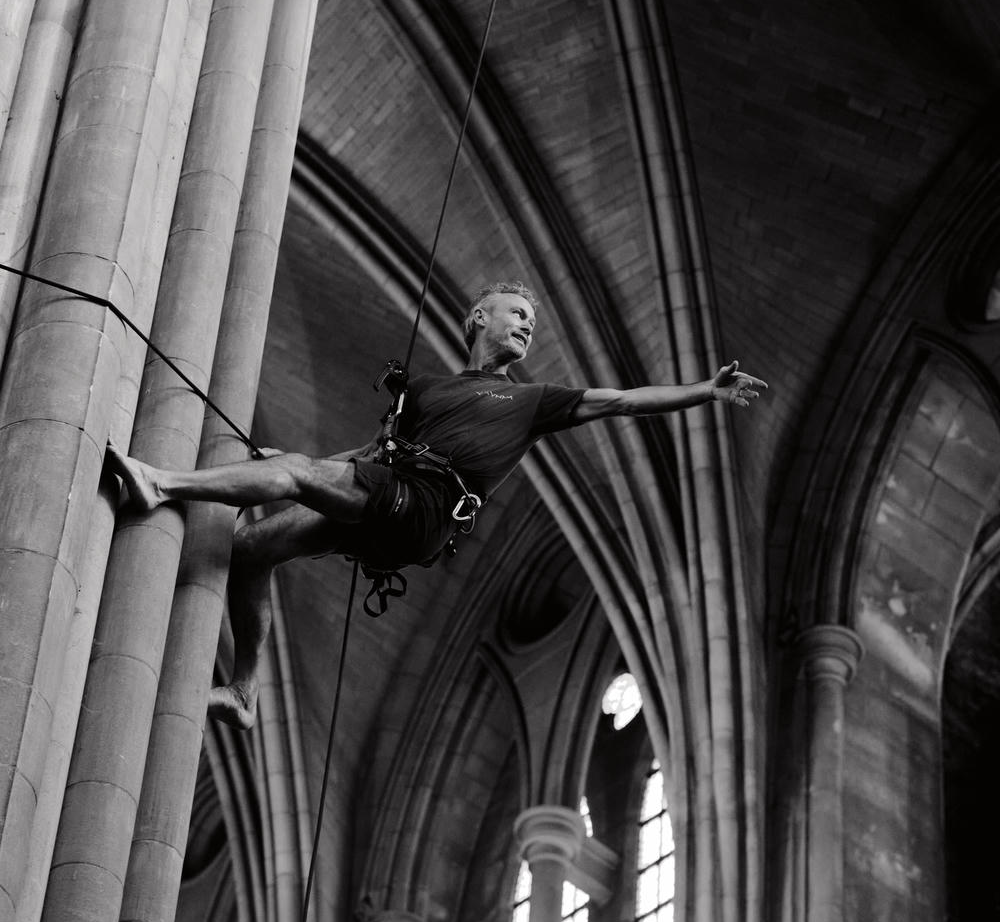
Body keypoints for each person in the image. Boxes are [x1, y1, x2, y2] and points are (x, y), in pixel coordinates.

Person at [107, 281, 766, 729]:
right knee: (251, 548)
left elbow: (619, 402)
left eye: (532, 323)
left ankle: (161, 485)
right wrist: (292, 468)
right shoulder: (424, 390)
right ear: (481, 317)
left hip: (426, 509)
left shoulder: (531, 401)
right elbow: (371, 451)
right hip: (388, 495)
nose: (527, 327)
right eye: (517, 314)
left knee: (298, 477)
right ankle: (247, 690)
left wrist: (703, 391)